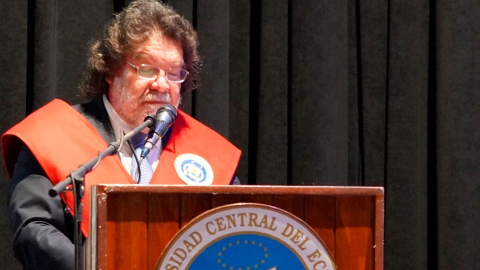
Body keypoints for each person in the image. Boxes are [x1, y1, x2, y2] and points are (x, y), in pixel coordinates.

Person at [1, 1, 241, 269]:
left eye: (173, 73)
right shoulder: (51, 136)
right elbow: (33, 232)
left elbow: (237, 232)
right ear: (111, 71)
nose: (162, 84)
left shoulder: (207, 151)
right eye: (147, 69)